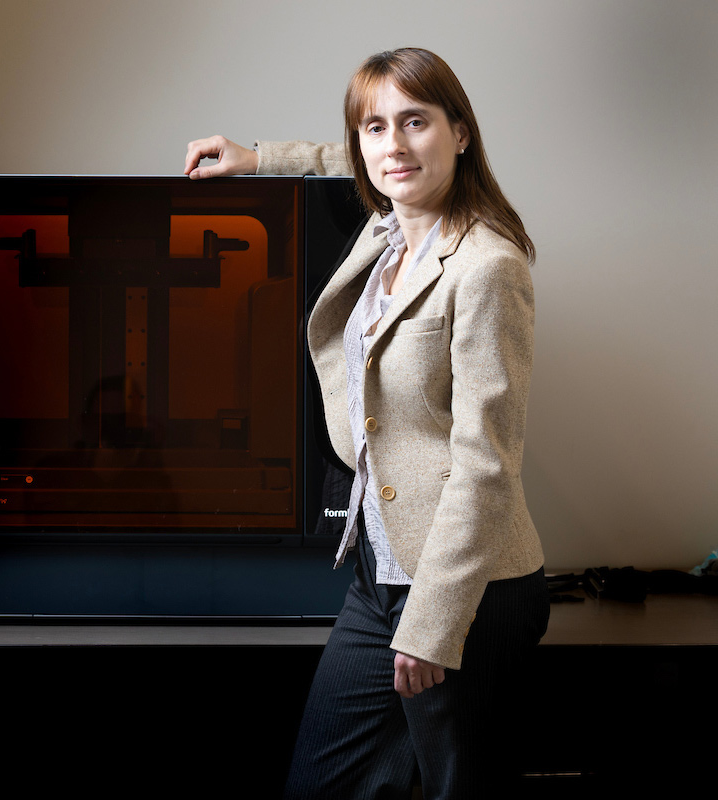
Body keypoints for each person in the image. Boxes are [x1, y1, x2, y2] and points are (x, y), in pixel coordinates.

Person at [184, 48, 549, 799]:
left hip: (463, 589)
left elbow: (487, 462)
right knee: (319, 785)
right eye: (376, 127)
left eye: (415, 121)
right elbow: (356, 158)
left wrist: (431, 627)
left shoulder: (487, 267)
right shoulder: (388, 231)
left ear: (460, 132)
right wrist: (258, 159)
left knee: (457, 790)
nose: (394, 144)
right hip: (377, 575)